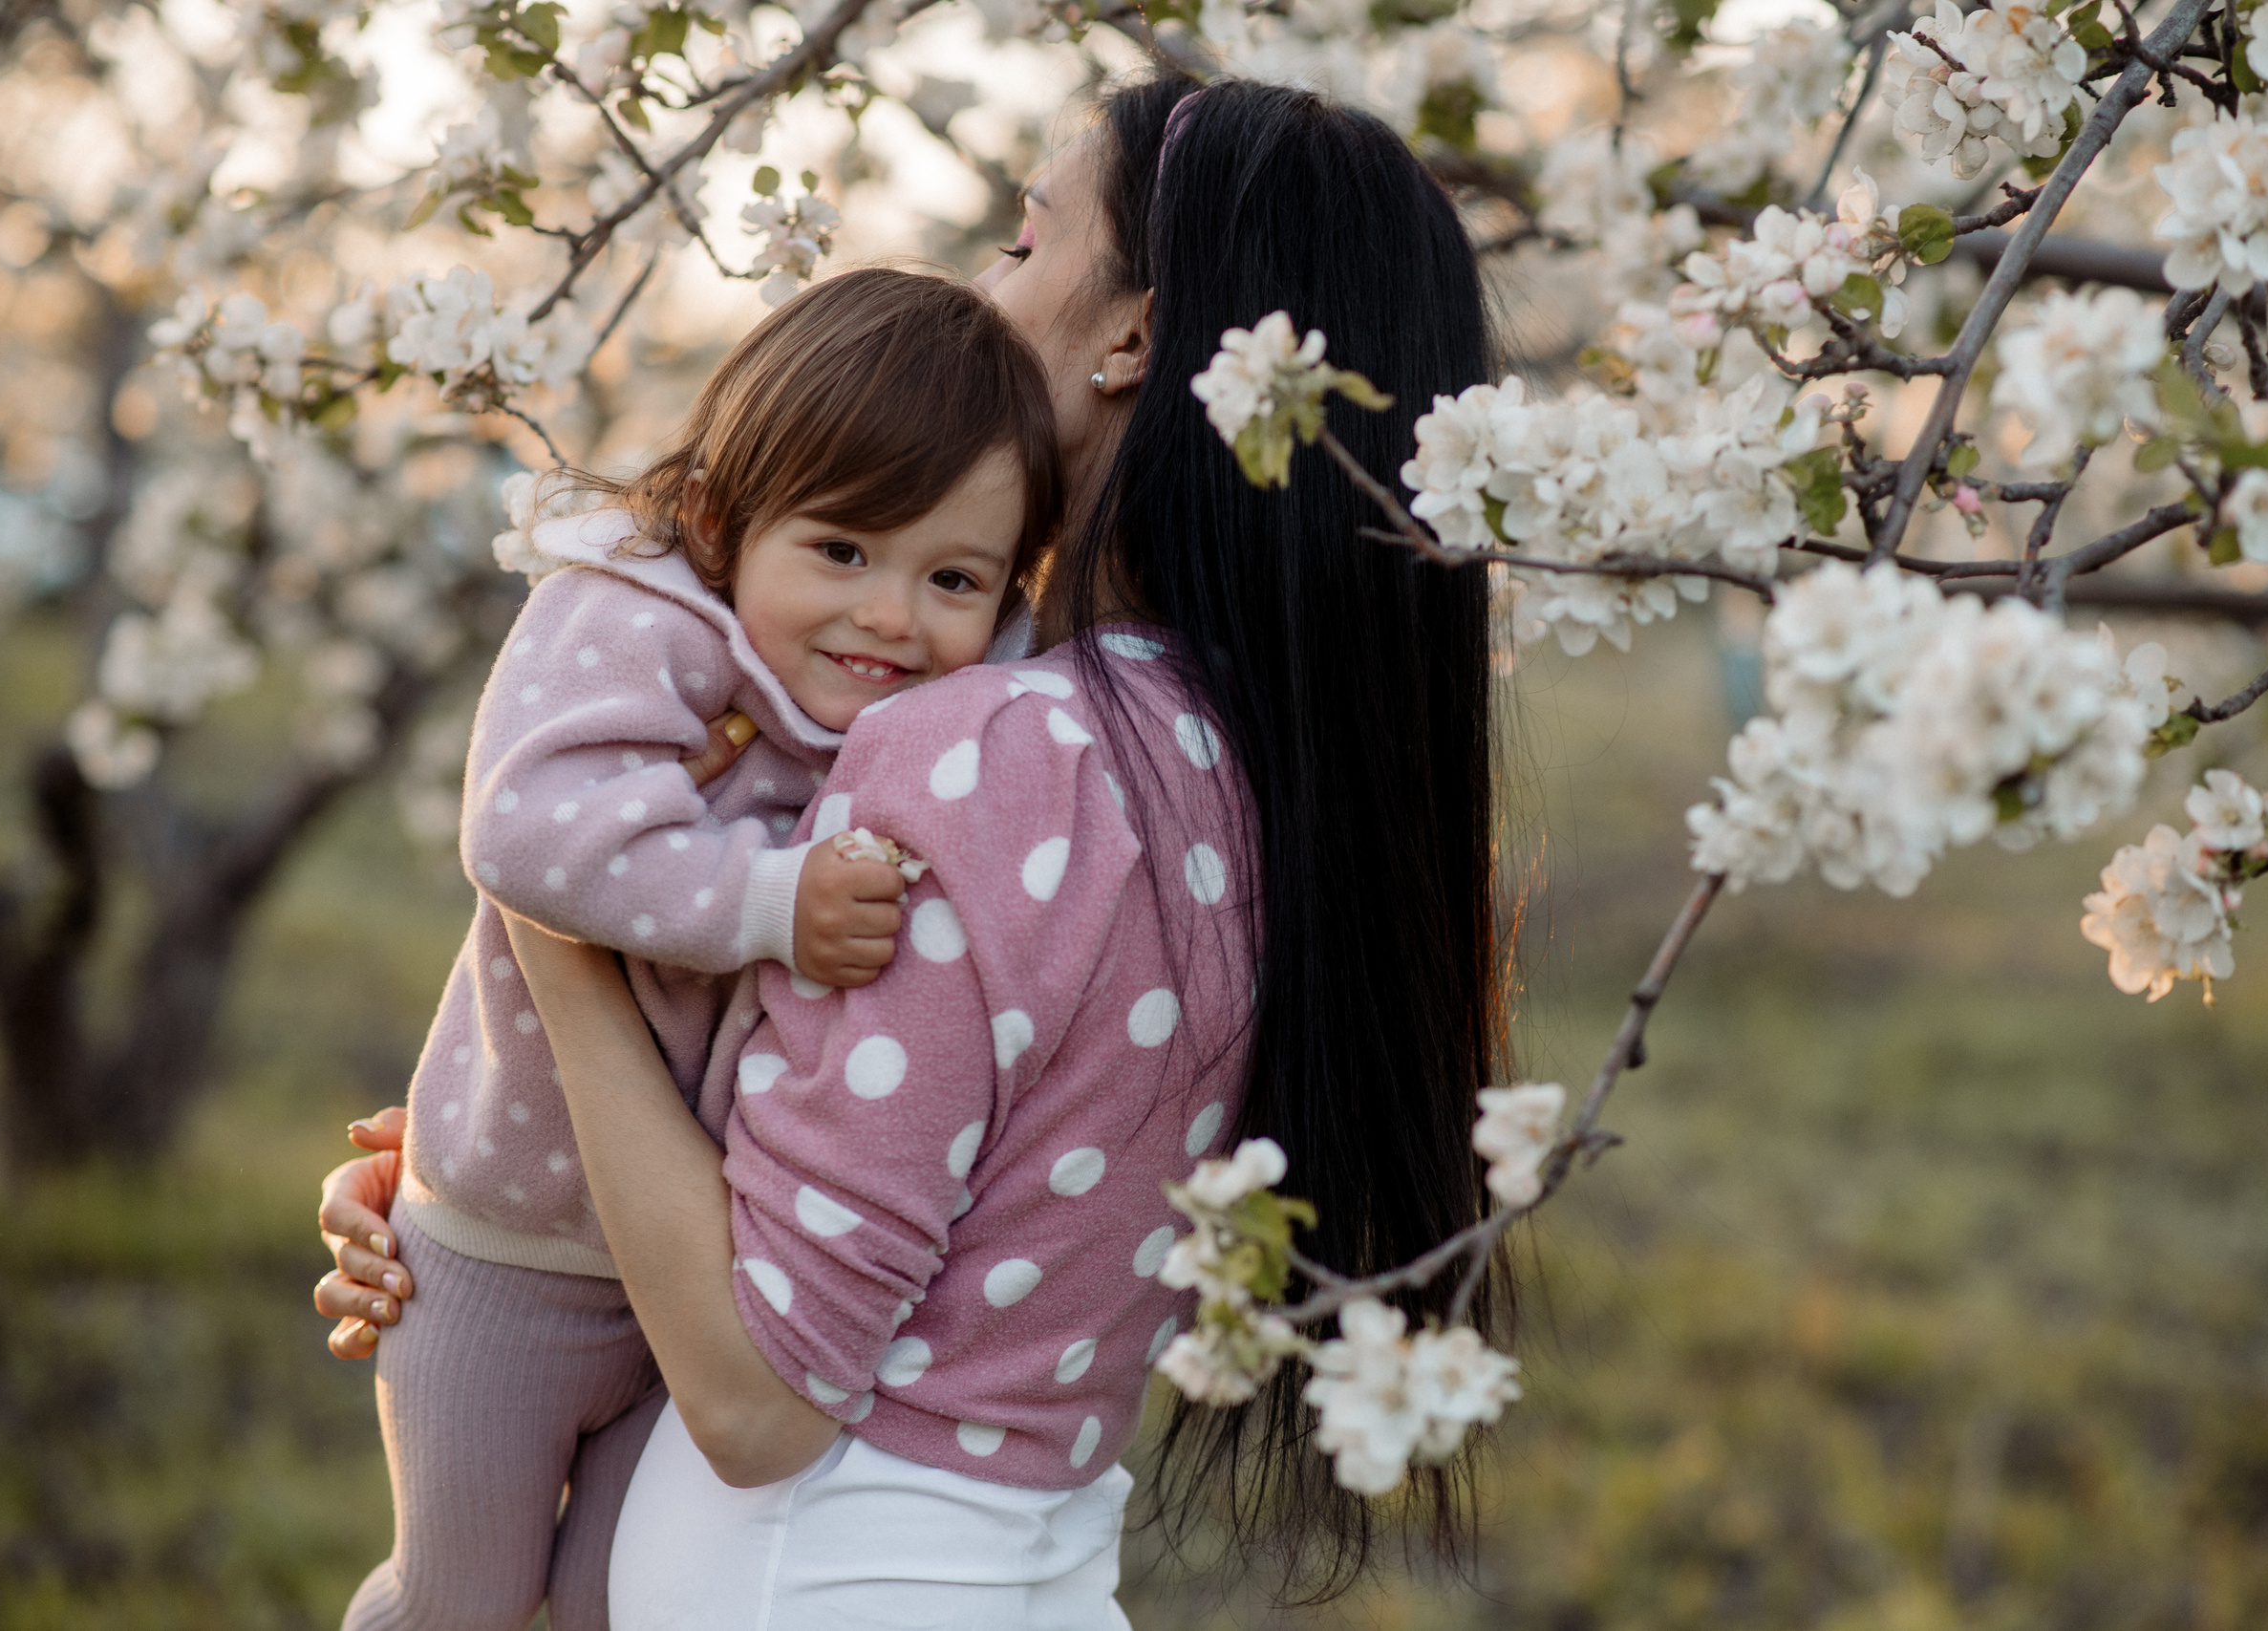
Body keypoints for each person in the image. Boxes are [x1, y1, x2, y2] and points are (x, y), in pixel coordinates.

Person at [317, 73, 1508, 1622]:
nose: (979, 286)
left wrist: (559, 964)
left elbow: (755, 1398)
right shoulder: (1262, 770)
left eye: (1024, 244)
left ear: (1132, 336)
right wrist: (497, 1194)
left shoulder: (997, 754)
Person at [339, 268, 1062, 1631]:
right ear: (727, 525)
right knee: (460, 1600)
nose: (892, 618)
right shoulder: (641, 618)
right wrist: (770, 901)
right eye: (842, 551)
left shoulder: (973, 709)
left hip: (708, 1283)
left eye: (952, 577)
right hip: (509, 1247)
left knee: (619, 1604)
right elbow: (527, 833)